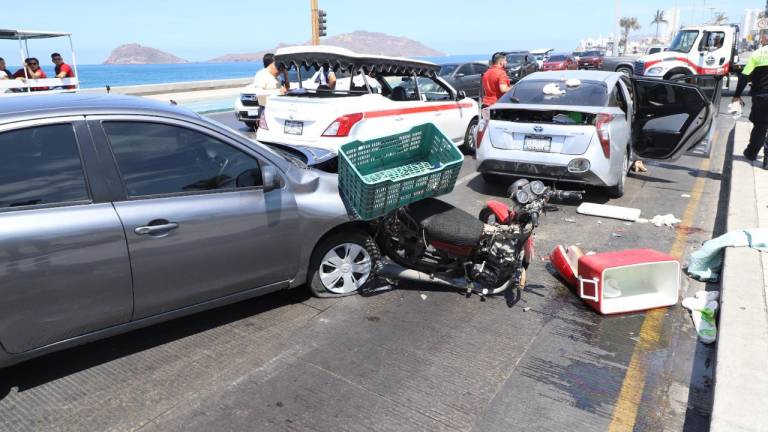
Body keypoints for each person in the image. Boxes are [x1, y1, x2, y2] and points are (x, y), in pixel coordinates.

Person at [733, 33, 768, 169]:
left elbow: (744, 76)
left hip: (761, 96)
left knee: (760, 126)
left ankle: (751, 153)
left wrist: (737, 95)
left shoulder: (757, 54)